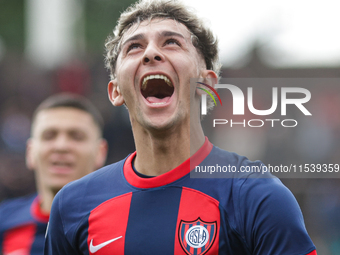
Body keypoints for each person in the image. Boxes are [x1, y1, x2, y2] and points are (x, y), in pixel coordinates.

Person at [44, 0, 317, 254]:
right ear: (116, 91)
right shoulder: (73, 206)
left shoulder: (257, 196)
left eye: (172, 42)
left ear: (207, 85)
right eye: (134, 47)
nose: (151, 53)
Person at [0, 93, 108, 254]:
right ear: (30, 152)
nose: (61, 146)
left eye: (76, 137)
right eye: (49, 136)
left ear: (100, 152)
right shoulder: (5, 221)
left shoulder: (119, 222)